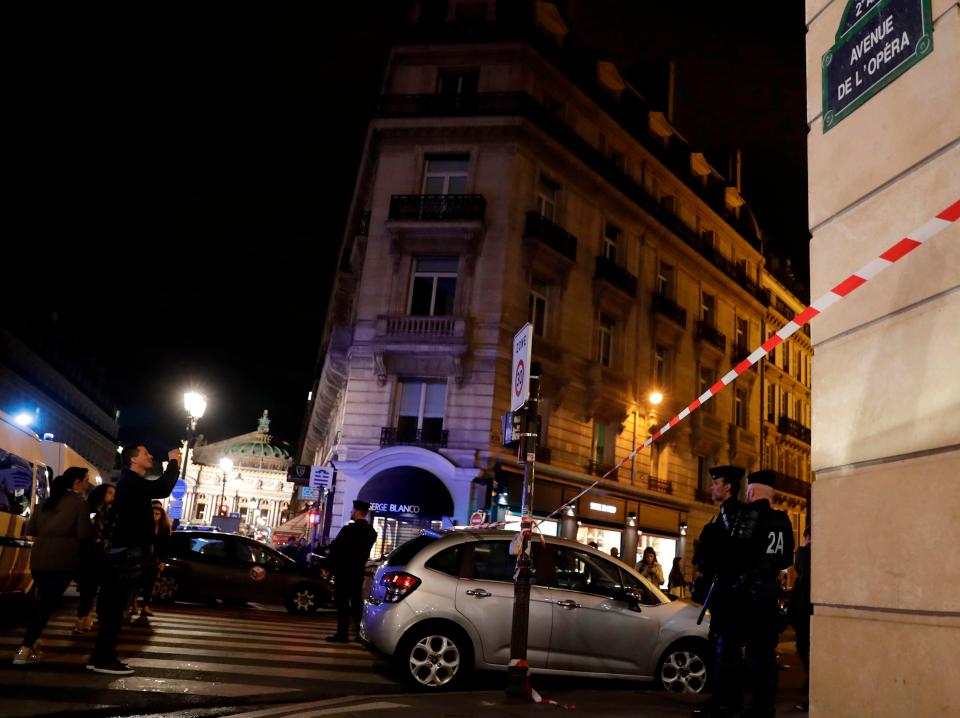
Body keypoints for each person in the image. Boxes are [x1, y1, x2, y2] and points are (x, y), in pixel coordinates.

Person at [87, 444, 181, 675]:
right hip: (129, 552)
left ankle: (101, 656)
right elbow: (162, 487)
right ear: (133, 460)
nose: (150, 456)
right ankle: (103, 659)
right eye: (145, 454)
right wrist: (174, 462)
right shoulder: (130, 481)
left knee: (115, 607)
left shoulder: (130, 482)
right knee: (117, 607)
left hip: (126, 551)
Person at [710, 470, 795, 718]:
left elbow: (735, 552)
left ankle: (729, 703)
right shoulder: (783, 520)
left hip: (746, 593)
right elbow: (786, 557)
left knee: (731, 649)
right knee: (765, 655)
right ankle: (763, 708)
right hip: (769, 592)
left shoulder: (750, 515)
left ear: (751, 491)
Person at [13, 467, 93, 665]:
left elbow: (31, 529)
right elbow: (84, 534)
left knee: (43, 600)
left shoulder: (45, 503)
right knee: (46, 604)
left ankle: (33, 641)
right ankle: (25, 647)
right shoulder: (80, 504)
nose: (87, 484)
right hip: (63, 559)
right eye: (86, 480)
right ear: (76, 482)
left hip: (39, 557)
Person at [692, 464, 747, 717]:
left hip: (728, 593)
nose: (712, 487)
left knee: (725, 647)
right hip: (723, 592)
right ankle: (725, 699)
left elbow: (728, 554)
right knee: (723, 645)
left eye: (716, 483)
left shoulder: (732, 516)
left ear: (728, 487)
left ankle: (726, 701)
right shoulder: (723, 515)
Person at [325, 500, 377, 643]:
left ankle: (342, 634)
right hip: (358, 571)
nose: (351, 513)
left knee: (342, 603)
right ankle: (359, 635)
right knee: (356, 603)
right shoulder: (371, 532)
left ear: (356, 512)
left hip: (344, 571)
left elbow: (336, 548)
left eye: (352, 511)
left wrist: (328, 566)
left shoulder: (348, 530)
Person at [74, 482, 116, 633]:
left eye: (113, 494)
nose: (112, 496)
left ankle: (88, 616)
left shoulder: (112, 512)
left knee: (97, 590)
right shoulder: (90, 509)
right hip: (91, 555)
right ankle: (82, 618)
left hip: (105, 555)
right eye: (109, 493)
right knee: (88, 589)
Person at [134, 500, 172, 622]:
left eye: (157, 514)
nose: (155, 515)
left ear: (161, 516)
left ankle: (145, 606)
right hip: (143, 559)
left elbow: (166, 547)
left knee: (149, 585)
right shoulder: (144, 527)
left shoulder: (164, 529)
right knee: (137, 584)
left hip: (154, 561)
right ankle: (133, 605)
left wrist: (162, 561)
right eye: (153, 513)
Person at [790, 525, 812, 712]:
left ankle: (810, 690)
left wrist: (803, 548)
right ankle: (809, 688)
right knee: (806, 650)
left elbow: (800, 566)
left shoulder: (805, 554)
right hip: (807, 611)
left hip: (805, 612)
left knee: (804, 650)